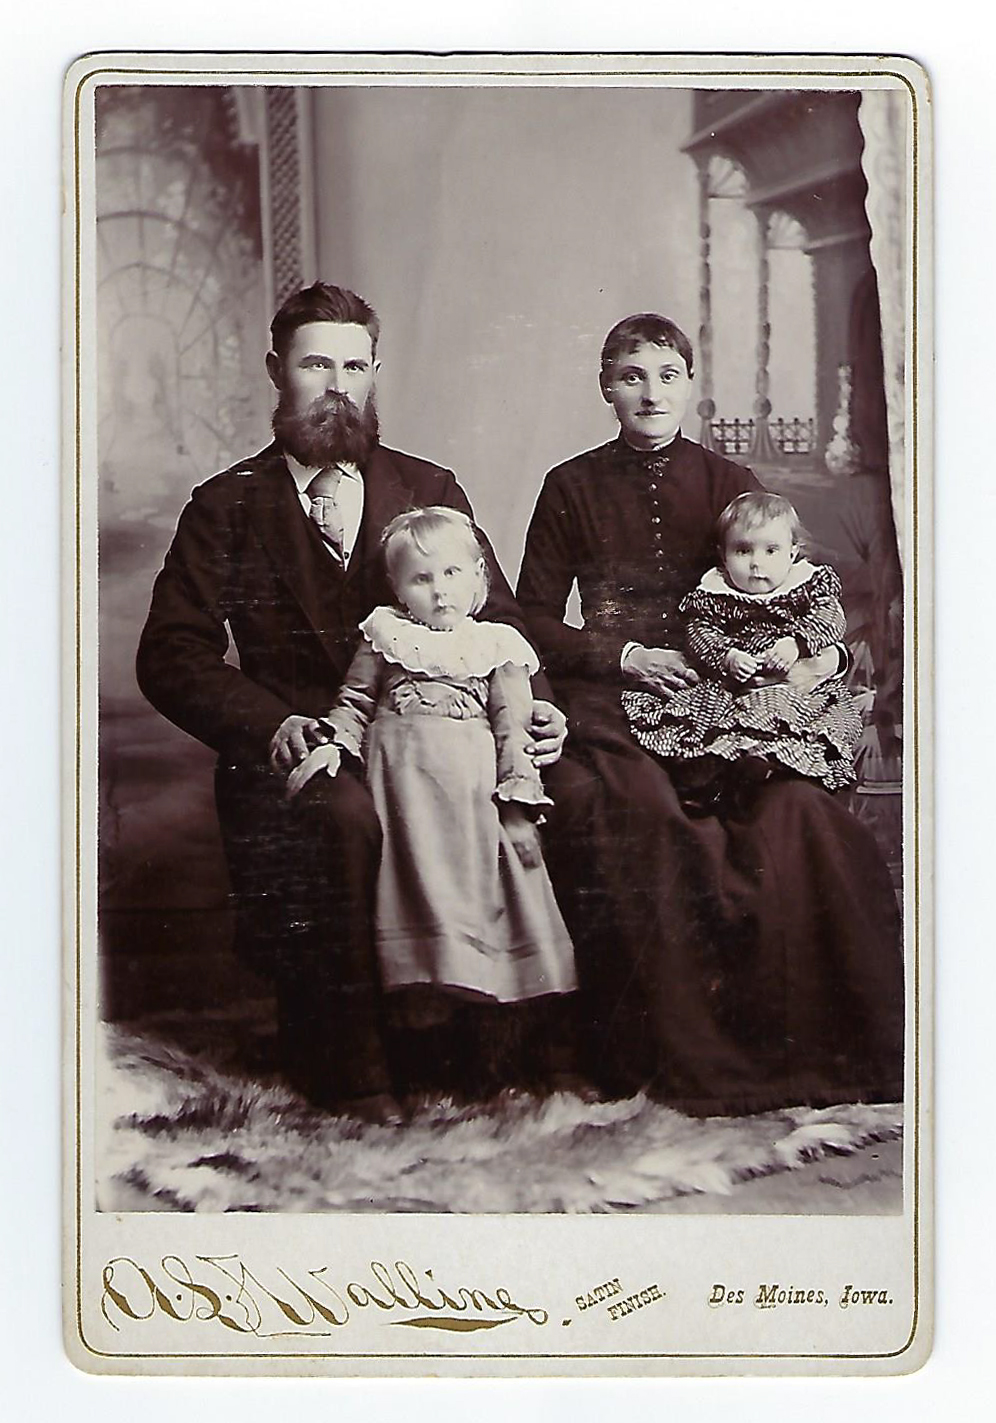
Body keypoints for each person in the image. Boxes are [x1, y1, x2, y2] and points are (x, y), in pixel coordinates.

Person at [136, 282, 566, 1121]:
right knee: (344, 818)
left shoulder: (427, 483)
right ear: (276, 371)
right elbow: (171, 653)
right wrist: (273, 724)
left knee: (559, 795)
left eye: (355, 365)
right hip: (303, 748)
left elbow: (500, 620)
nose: (338, 383)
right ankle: (357, 1068)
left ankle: (505, 1044)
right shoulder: (226, 504)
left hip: (443, 736)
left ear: (374, 376)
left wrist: (539, 707)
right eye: (316, 363)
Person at [518, 312, 904, 1115]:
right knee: (647, 817)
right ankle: (666, 1051)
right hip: (613, 693)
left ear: (690, 384)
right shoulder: (569, 485)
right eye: (631, 376)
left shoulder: (730, 483)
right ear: (605, 388)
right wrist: (621, 656)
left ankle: (799, 1044)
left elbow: (799, 594)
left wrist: (810, 662)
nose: (650, 393)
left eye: (666, 375)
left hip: (731, 698)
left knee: (800, 822)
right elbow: (531, 617)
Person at [285, 506, 577, 1095]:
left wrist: (519, 798)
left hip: (471, 799)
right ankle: (421, 1050)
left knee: (479, 902)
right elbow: (354, 701)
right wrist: (335, 743)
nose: (439, 592)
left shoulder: (497, 645)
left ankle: (487, 1053)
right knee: (415, 902)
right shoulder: (385, 635)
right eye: (421, 579)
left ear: (478, 580)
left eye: (452, 575)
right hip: (404, 796)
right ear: (397, 587)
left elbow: (512, 729)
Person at [622, 490, 863, 803]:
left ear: (793, 553)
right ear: (723, 555)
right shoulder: (715, 593)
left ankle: (769, 767)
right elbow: (699, 631)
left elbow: (830, 619)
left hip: (793, 685)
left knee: (789, 717)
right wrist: (727, 655)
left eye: (771, 551)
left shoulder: (805, 586)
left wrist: (797, 644)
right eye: (743, 551)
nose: (756, 564)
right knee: (704, 718)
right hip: (733, 684)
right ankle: (712, 774)